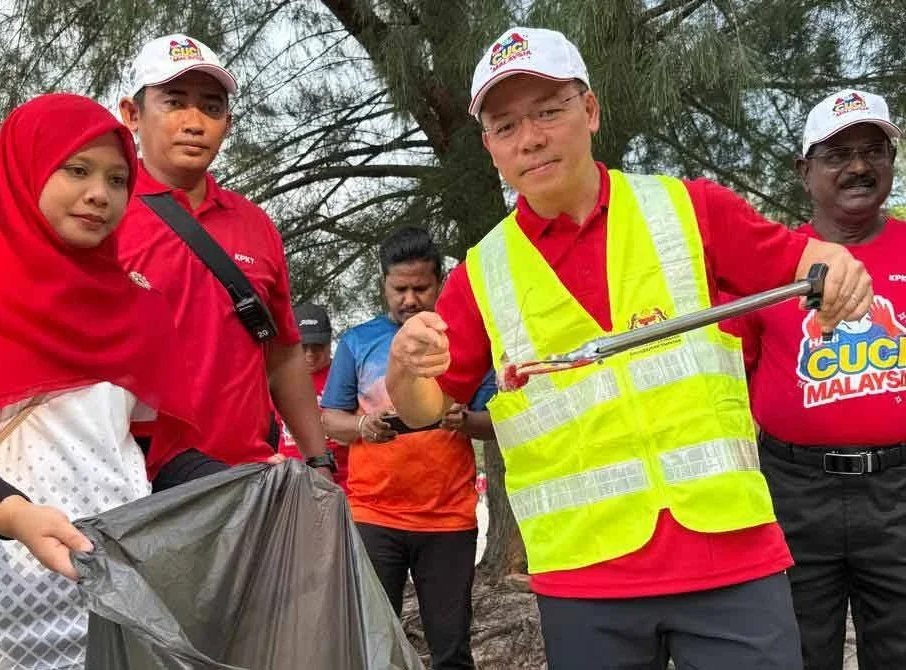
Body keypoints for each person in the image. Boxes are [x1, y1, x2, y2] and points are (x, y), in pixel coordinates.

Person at [385, 27, 874, 670]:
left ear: (589, 111)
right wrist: (405, 369)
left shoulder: (690, 208)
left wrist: (838, 265)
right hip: (585, 581)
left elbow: (805, 261)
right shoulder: (482, 273)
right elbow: (425, 409)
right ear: (490, 149)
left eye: (549, 111)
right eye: (505, 126)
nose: (529, 137)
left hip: (732, 561)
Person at [0, 94, 228, 669]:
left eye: (117, 178)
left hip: (117, 596)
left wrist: (247, 485)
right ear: (22, 168)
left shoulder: (140, 307)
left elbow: (153, 460)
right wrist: (17, 516)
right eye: (76, 170)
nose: (100, 194)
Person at [737, 89, 905, 669]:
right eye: (837, 155)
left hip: (899, 491)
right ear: (804, 171)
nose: (858, 166)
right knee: (797, 652)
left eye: (872, 150)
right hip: (793, 492)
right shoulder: (767, 263)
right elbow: (739, 372)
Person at [115, 34, 334, 476]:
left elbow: (284, 355)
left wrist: (318, 462)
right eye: (174, 103)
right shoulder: (103, 214)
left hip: (248, 478)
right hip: (136, 485)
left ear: (228, 124)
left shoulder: (255, 225)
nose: (194, 122)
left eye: (212, 107)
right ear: (132, 115)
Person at [320, 227, 496, 670]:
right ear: (383, 284)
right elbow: (329, 419)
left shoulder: (464, 340)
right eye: (400, 289)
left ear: (440, 282)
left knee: (452, 649)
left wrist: (466, 420)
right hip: (375, 515)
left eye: (422, 288)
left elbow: (494, 422)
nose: (411, 299)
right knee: (372, 644)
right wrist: (362, 425)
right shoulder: (358, 342)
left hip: (449, 520)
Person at [275, 303, 350, 490]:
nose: (309, 354)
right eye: (303, 346)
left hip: (342, 484)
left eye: (317, 347)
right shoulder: (278, 376)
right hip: (291, 483)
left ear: (329, 342)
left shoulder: (344, 372)